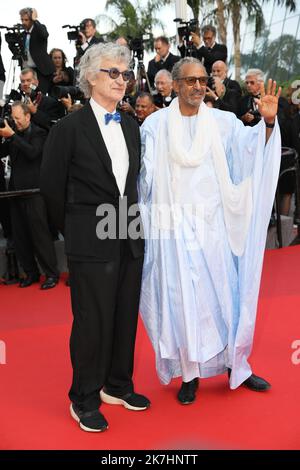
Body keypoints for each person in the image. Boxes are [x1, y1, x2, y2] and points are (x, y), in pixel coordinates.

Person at [139, 57, 281, 404]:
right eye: (190, 81)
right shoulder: (155, 126)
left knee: (224, 297)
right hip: (174, 232)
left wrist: (268, 122)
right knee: (183, 302)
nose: (198, 86)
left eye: (203, 80)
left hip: (215, 228)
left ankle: (237, 365)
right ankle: (190, 375)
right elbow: (145, 180)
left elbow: (250, 154)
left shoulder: (223, 122)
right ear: (175, 85)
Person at [40, 43, 150, 432]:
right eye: (113, 72)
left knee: (123, 315)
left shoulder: (132, 125)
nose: (122, 79)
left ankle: (118, 385)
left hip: (129, 233)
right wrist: (77, 232)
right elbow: (51, 189)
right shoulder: (67, 129)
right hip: (90, 239)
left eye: (125, 73)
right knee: (92, 321)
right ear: (90, 77)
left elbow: (131, 185)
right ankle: (84, 397)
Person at [0, 102, 59, 289]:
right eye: (13, 118)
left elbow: (33, 153)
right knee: (20, 237)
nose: (15, 121)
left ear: (28, 116)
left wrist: (13, 136)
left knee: (40, 235)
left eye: (18, 118)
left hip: (35, 192)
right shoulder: (12, 136)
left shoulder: (40, 133)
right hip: (15, 192)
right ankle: (30, 273)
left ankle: (51, 274)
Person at [19, 7, 55, 94]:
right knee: (31, 93)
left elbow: (44, 34)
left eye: (26, 20)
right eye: (22, 20)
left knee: (40, 95)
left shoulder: (39, 28)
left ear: (31, 20)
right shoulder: (23, 34)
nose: (23, 22)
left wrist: (35, 19)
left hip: (42, 70)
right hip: (29, 70)